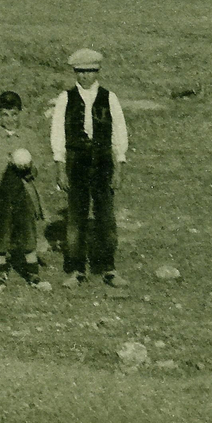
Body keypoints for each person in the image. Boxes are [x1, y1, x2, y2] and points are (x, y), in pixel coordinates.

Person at [49, 48, 130, 288]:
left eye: (90, 71)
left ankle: (108, 268)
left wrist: (119, 167)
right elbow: (57, 134)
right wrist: (60, 166)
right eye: (81, 72)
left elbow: (119, 133)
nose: (85, 76)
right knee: (76, 217)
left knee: (105, 215)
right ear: (75, 72)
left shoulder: (109, 97)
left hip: (103, 162)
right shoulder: (66, 98)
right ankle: (75, 269)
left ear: (98, 72)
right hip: (76, 163)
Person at [0, 90, 46, 288]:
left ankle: (32, 272)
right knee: (1, 229)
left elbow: (38, 161)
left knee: (27, 229)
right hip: (0, 192)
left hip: (22, 190)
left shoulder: (28, 136)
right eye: (5, 115)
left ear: (20, 113)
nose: (10, 119)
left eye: (14, 114)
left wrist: (29, 166)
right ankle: (0, 272)